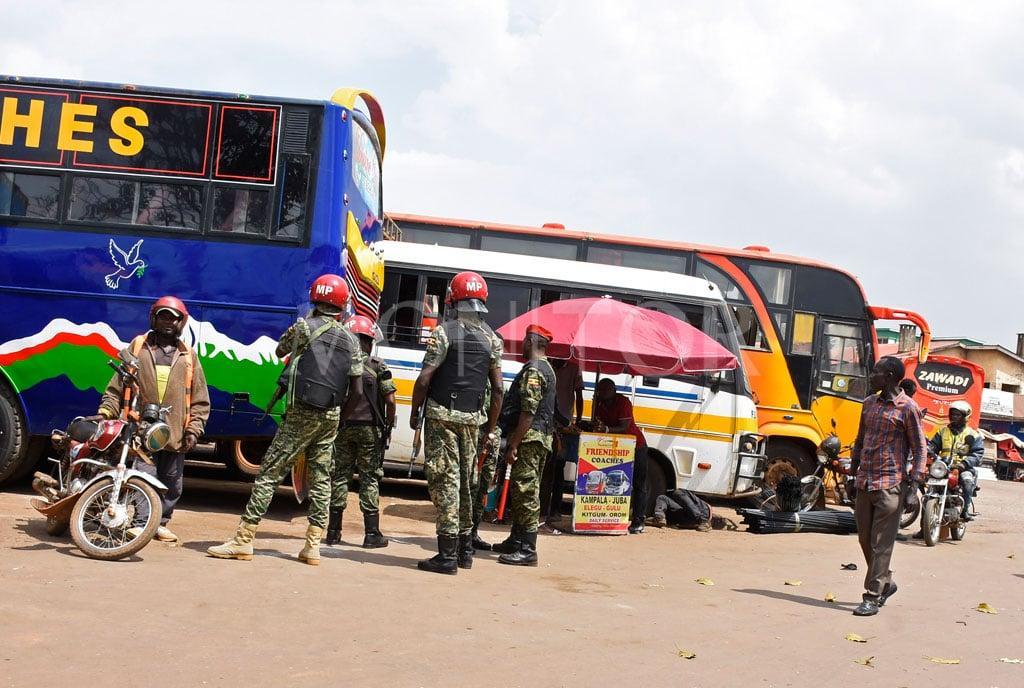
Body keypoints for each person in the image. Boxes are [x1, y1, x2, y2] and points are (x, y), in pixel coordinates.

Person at [207, 275, 363, 566]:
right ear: (341, 304)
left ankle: (243, 540)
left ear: (316, 299)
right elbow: (357, 389)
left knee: (269, 472)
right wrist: (340, 417)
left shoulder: (305, 326)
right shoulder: (351, 340)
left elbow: (280, 349)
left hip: (301, 412)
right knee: (320, 478)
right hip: (330, 415)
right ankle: (312, 546)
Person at [95, 296, 210, 544]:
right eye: (163, 316)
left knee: (171, 482)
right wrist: (106, 412)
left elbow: (200, 399)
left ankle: (160, 522)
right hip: (140, 430)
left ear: (182, 323)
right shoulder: (138, 347)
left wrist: (194, 430)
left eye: (173, 318)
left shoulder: (188, 356)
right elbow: (116, 388)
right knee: (142, 477)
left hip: (175, 432)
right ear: (153, 318)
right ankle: (141, 523)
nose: (168, 322)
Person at [410, 271, 504, 575]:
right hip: (474, 420)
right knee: (466, 483)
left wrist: (414, 412)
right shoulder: (493, 339)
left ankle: (447, 555)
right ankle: (465, 551)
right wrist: (489, 428)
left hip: (442, 419)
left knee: (445, 483)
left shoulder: (443, 333)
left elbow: (425, 378)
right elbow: (499, 389)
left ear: (453, 300)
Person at [849, 356, 927, 616]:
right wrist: (852, 473)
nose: (872, 377)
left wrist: (913, 487)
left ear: (891, 376)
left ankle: (871, 596)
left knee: (881, 544)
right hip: (865, 481)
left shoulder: (908, 408)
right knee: (864, 540)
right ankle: (887, 583)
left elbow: (920, 449)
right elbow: (860, 440)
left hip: (891, 484)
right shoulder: (869, 403)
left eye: (877, 373)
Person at [325, 315, 396, 548]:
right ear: (368, 341)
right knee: (369, 479)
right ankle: (371, 534)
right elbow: (391, 400)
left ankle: (333, 532)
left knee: (340, 477)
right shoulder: (378, 365)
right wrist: (387, 425)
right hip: (369, 430)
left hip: (344, 428)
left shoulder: (340, 365)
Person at [491, 325, 557, 566]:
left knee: (526, 491)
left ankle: (528, 549)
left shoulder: (535, 370)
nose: (521, 344)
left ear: (531, 341)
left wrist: (513, 445)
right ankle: (516, 540)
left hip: (530, 439)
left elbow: (528, 412)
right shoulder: (547, 368)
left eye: (524, 340)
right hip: (539, 438)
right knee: (521, 491)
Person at [593, 377, 649, 534]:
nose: (603, 393)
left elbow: (624, 426)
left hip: (636, 446)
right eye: (600, 390)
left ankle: (638, 520)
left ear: (614, 390)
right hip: (616, 448)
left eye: (606, 390)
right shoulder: (598, 403)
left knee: (638, 484)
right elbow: (599, 422)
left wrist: (606, 430)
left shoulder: (623, 402)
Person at [540, 358, 584, 530]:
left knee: (558, 470)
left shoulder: (574, 368)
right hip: (547, 424)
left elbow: (579, 394)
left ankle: (555, 510)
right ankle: (543, 509)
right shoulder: (546, 364)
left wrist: (577, 420)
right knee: (545, 470)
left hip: (563, 426)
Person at [928, 400, 983, 521]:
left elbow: (977, 453)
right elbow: (933, 445)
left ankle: (964, 511)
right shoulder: (942, 431)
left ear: (965, 416)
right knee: (929, 492)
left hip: (963, 468)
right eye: (952, 414)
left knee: (967, 482)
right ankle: (924, 528)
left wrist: (964, 464)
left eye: (957, 415)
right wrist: (929, 449)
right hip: (943, 466)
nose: (954, 417)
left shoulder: (973, 435)